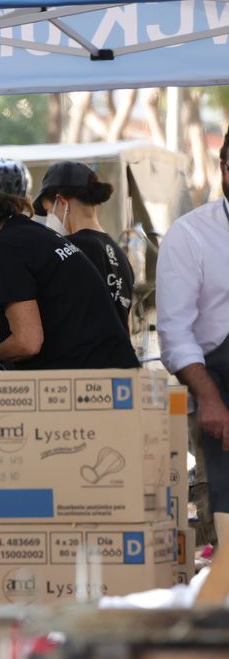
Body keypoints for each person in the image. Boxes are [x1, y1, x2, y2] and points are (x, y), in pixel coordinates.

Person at [0, 171, 139, 371]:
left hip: (94, 383)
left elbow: (27, 342)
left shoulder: (6, 248)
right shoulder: (27, 233)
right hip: (115, 372)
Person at [157, 126, 229, 547]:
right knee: (226, 508)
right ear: (224, 167)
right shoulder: (190, 235)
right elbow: (175, 331)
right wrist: (209, 397)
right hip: (220, 388)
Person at [33, 161, 134, 330]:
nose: (49, 219)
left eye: (50, 211)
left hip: (84, 356)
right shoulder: (118, 253)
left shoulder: (70, 251)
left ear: (62, 202)